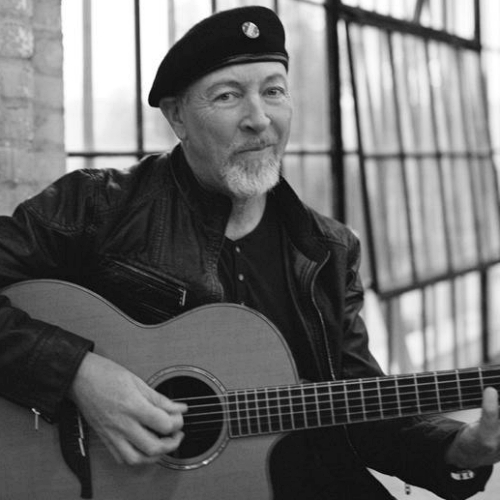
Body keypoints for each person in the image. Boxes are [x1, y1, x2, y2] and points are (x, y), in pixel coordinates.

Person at [0, 6, 499, 499]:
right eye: (228, 96)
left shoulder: (329, 250)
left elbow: (364, 414)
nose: (259, 120)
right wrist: (78, 373)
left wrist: (463, 447)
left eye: (274, 91)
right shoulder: (98, 207)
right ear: (177, 116)